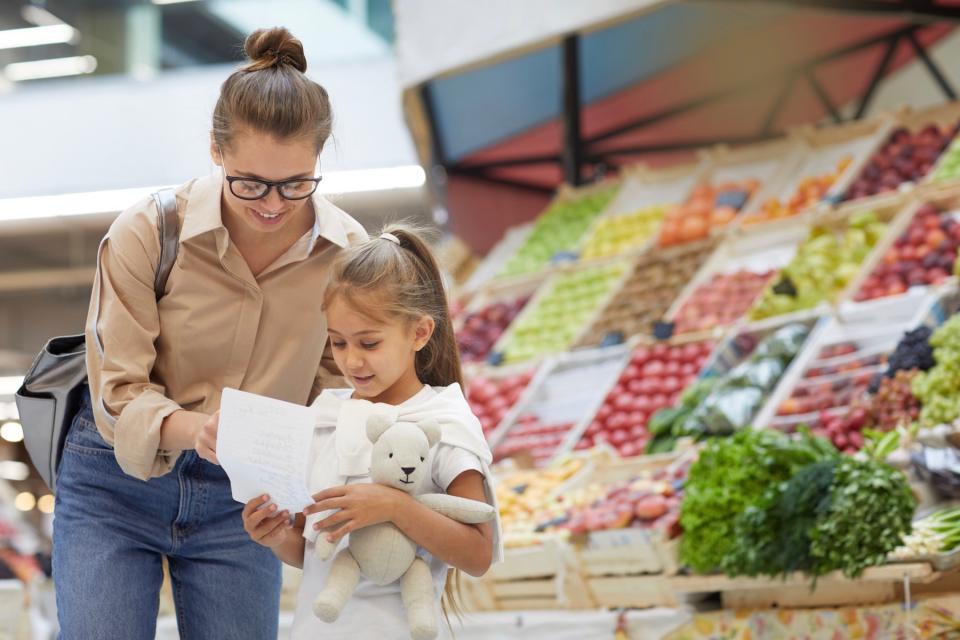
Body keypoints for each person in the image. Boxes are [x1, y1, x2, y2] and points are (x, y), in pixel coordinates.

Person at [52, 27, 366, 639]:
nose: (273, 205)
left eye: (297, 183)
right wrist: (201, 429)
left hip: (247, 501)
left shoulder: (348, 256)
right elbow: (118, 391)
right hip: (117, 481)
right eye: (250, 182)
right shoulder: (148, 233)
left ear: (319, 159)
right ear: (216, 151)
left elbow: (339, 395)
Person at [241, 225, 503, 640]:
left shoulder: (445, 420)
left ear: (419, 332)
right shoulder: (324, 416)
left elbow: (478, 554)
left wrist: (395, 507)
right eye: (338, 343)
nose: (352, 361)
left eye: (369, 343)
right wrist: (276, 536)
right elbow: (313, 553)